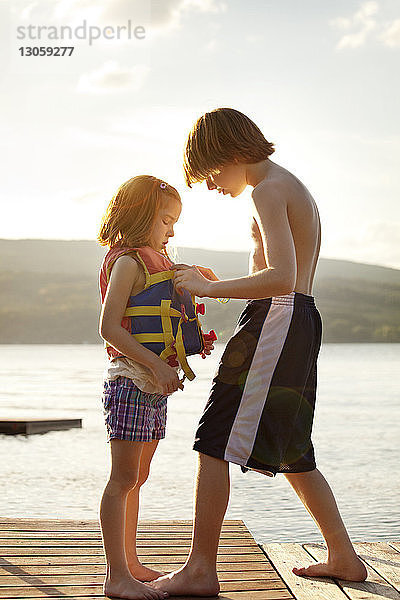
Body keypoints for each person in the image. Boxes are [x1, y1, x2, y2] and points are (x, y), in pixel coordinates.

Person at [151, 108, 367, 597]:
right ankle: (344, 558)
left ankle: (201, 570)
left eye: (208, 172)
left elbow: (281, 277)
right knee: (292, 448)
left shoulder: (268, 190)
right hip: (298, 318)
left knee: (213, 439)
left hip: (279, 316)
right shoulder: (289, 185)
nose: (208, 186)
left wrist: (210, 288)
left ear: (229, 153)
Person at [97, 175, 214, 600]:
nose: (171, 229)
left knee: (139, 477)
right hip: (131, 380)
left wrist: (200, 275)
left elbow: (171, 286)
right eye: (166, 220)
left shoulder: (154, 260)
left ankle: (130, 562)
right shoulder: (128, 262)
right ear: (141, 216)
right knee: (123, 477)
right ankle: (116, 576)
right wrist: (154, 365)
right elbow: (109, 328)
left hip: (153, 385)